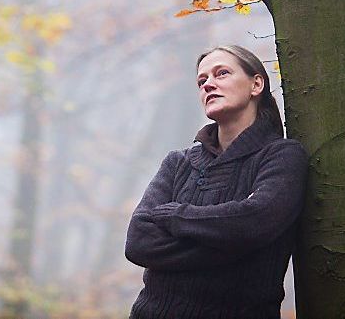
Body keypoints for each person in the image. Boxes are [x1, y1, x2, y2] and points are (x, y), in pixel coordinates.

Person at [124, 45, 308, 319]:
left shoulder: (282, 156)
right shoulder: (178, 163)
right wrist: (233, 240)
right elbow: (138, 241)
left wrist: (175, 215)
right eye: (202, 81)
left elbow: (256, 221)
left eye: (221, 73)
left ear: (256, 84)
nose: (209, 84)